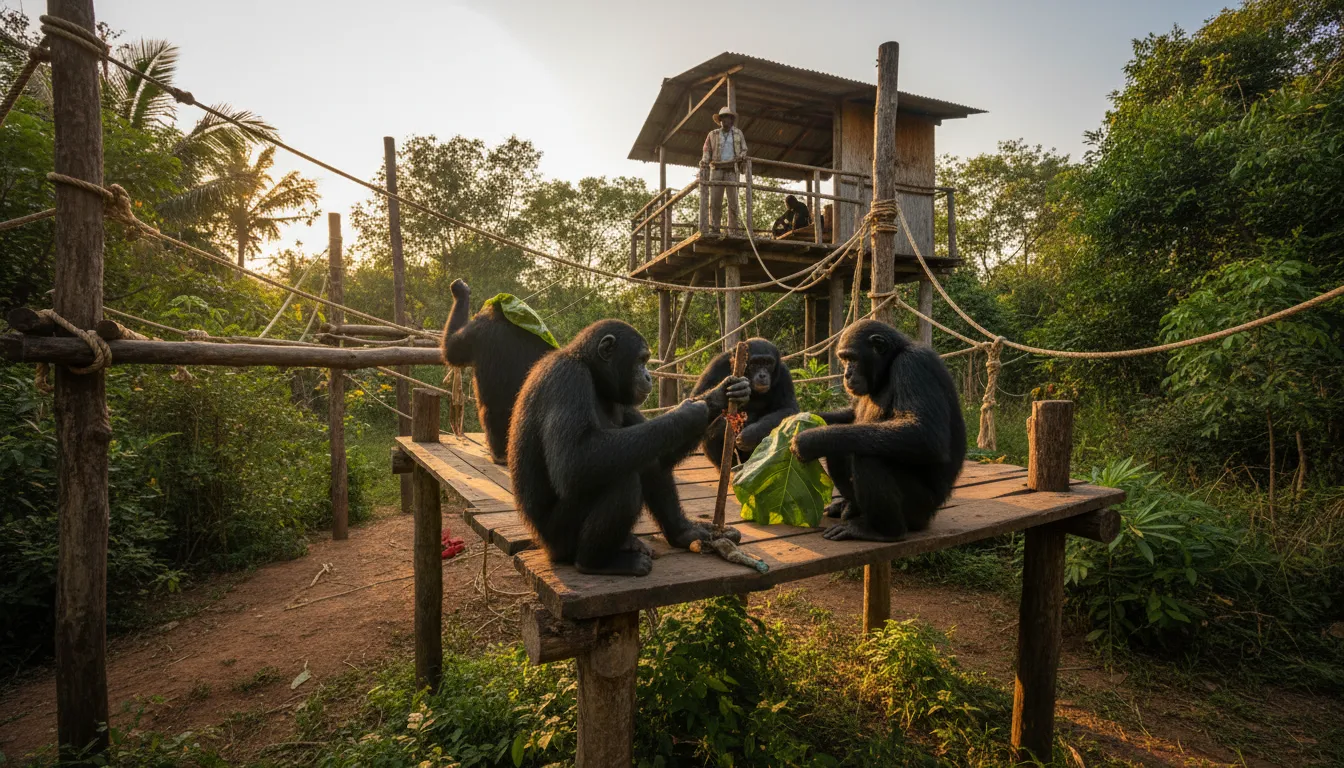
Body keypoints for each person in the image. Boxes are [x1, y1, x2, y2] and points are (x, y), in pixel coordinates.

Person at [700, 106, 747, 236]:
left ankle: (733, 230)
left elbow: (744, 149)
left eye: (727, 118)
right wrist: (704, 163)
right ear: (719, 120)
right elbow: (706, 151)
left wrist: (741, 156)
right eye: (722, 118)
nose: (724, 121)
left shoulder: (738, 133)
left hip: (732, 170)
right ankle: (715, 228)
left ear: (731, 120)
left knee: (733, 201)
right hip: (716, 170)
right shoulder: (712, 134)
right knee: (715, 201)